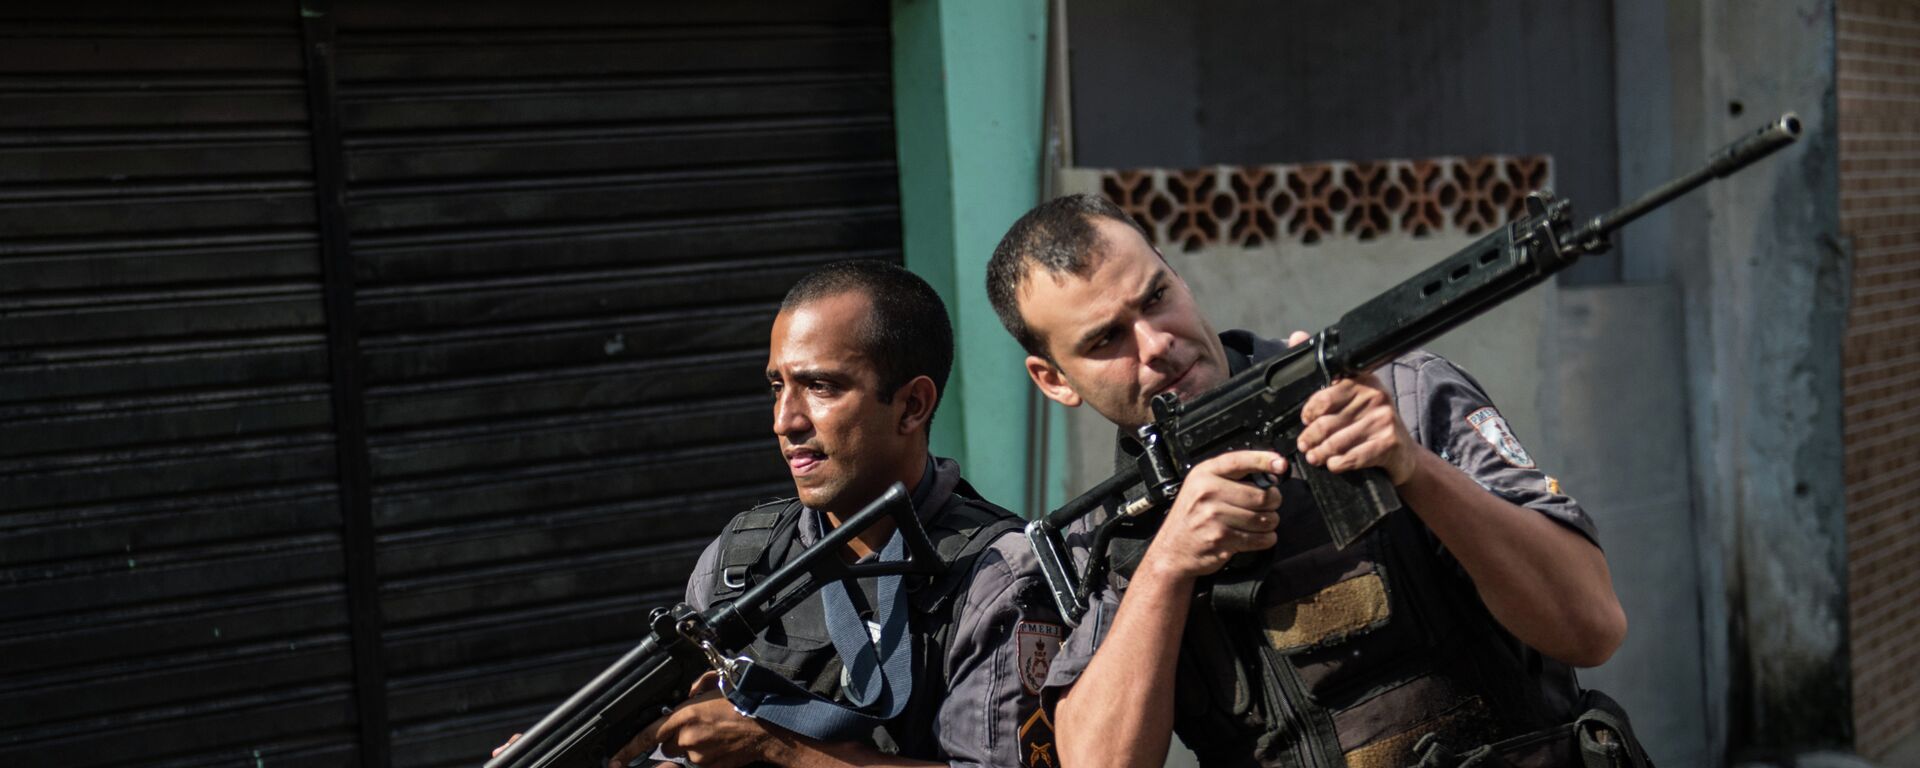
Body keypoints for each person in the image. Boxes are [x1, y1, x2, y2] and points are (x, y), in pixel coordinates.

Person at [984, 195, 1647, 768]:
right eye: (1106, 341)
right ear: (1053, 380)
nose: (1155, 342)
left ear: (1179, 276)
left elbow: (1592, 629)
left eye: (1157, 297)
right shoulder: (1110, 537)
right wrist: (1167, 567)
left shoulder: (1398, 398)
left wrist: (1414, 469)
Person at [497, 261, 1063, 768]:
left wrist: (778, 746)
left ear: (912, 405)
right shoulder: (741, 557)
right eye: (777, 387)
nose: (785, 421)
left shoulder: (998, 576)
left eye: (820, 386)